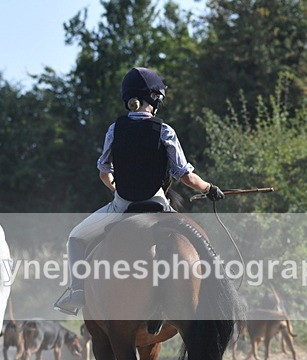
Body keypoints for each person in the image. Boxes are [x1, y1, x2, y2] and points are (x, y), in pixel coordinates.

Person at [53, 67, 224, 315]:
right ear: (154, 98)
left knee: (76, 238)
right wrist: (210, 188)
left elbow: (104, 171)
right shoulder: (165, 130)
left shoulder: (115, 129)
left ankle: (77, 291)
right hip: (158, 205)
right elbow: (185, 176)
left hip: (122, 205)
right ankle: (214, 288)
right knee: (202, 244)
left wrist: (117, 189)